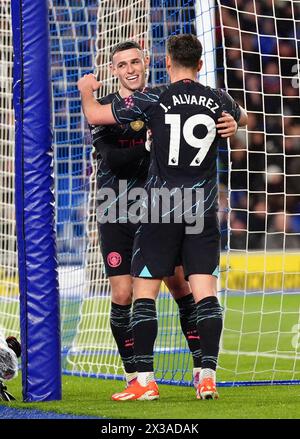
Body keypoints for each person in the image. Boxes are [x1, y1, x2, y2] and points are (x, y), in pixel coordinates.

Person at [78, 34, 248, 401]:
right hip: (163, 206)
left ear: (158, 63)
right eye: (121, 65)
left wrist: (84, 89)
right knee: (192, 290)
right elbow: (241, 114)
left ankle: (152, 377)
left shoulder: (154, 97)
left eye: (135, 62)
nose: (129, 69)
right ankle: (197, 375)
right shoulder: (214, 97)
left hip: (159, 206)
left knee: (158, 290)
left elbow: (93, 113)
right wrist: (233, 123)